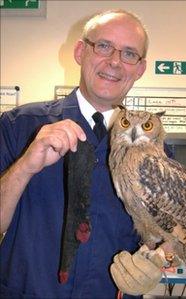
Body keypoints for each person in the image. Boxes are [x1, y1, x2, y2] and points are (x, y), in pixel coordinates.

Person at [0, 9, 168, 299]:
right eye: (103, 46)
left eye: (129, 53)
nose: (114, 61)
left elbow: (166, 234)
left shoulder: (155, 149)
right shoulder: (18, 126)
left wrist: (158, 259)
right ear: (80, 51)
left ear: (139, 69)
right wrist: (25, 166)